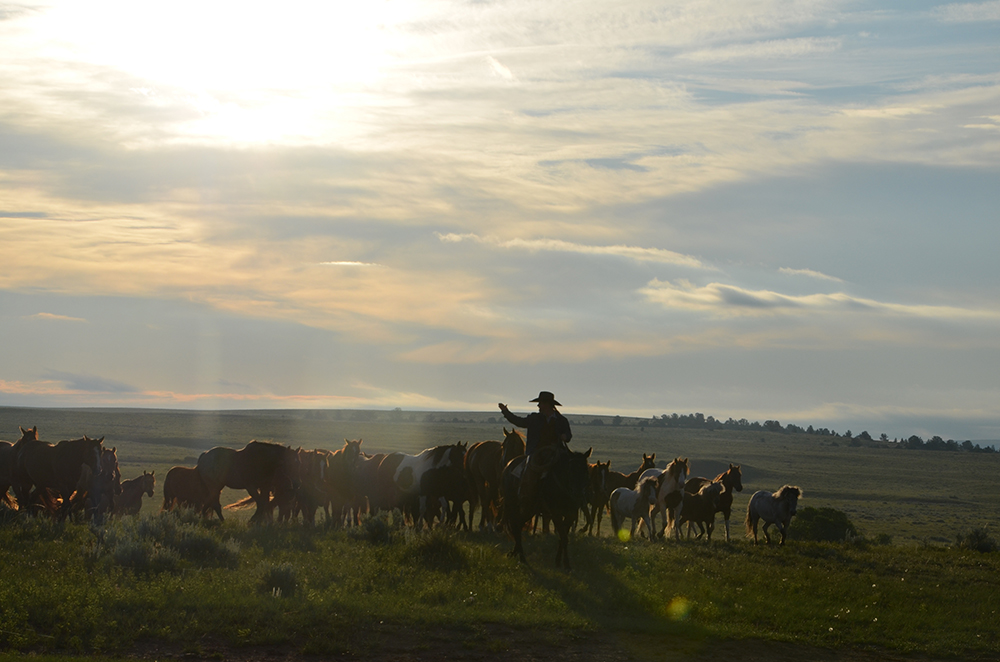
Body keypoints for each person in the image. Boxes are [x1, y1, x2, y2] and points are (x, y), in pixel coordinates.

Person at [498, 391, 573, 515]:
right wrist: (505, 412)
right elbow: (519, 422)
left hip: (556, 452)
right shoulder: (534, 418)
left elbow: (568, 435)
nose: (538, 406)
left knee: (573, 469)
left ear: (547, 405)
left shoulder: (561, 420)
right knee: (529, 472)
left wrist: (565, 436)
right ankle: (525, 496)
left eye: (541, 403)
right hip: (537, 452)